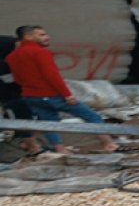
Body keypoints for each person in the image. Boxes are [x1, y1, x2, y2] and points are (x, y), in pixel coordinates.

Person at [5, 25, 118, 153]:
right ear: (29, 36)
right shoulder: (40, 52)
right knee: (91, 116)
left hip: (31, 96)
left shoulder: (12, 57)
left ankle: (60, 150)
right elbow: (52, 76)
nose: (47, 37)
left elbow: (18, 79)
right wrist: (67, 94)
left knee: (49, 123)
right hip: (51, 94)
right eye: (41, 35)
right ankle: (108, 143)